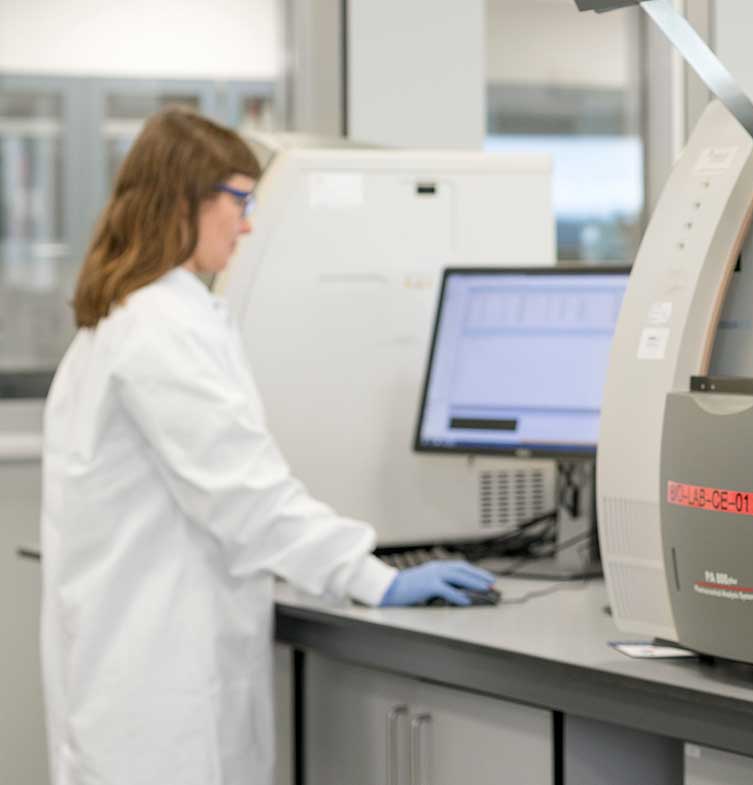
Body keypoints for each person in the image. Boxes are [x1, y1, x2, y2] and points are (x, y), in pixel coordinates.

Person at [40, 107, 495, 785]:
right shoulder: (158, 331)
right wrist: (374, 576)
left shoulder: (127, 317)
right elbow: (247, 497)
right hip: (156, 689)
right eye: (240, 201)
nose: (248, 224)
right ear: (185, 201)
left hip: (132, 664)